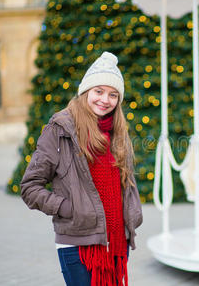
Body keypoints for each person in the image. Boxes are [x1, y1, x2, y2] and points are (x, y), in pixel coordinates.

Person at [21, 51, 142, 286]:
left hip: (117, 244)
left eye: (113, 94)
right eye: (99, 91)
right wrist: (68, 207)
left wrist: (132, 212)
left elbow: (125, 184)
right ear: (86, 91)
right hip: (77, 244)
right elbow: (29, 186)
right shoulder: (61, 129)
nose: (105, 100)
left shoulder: (118, 132)